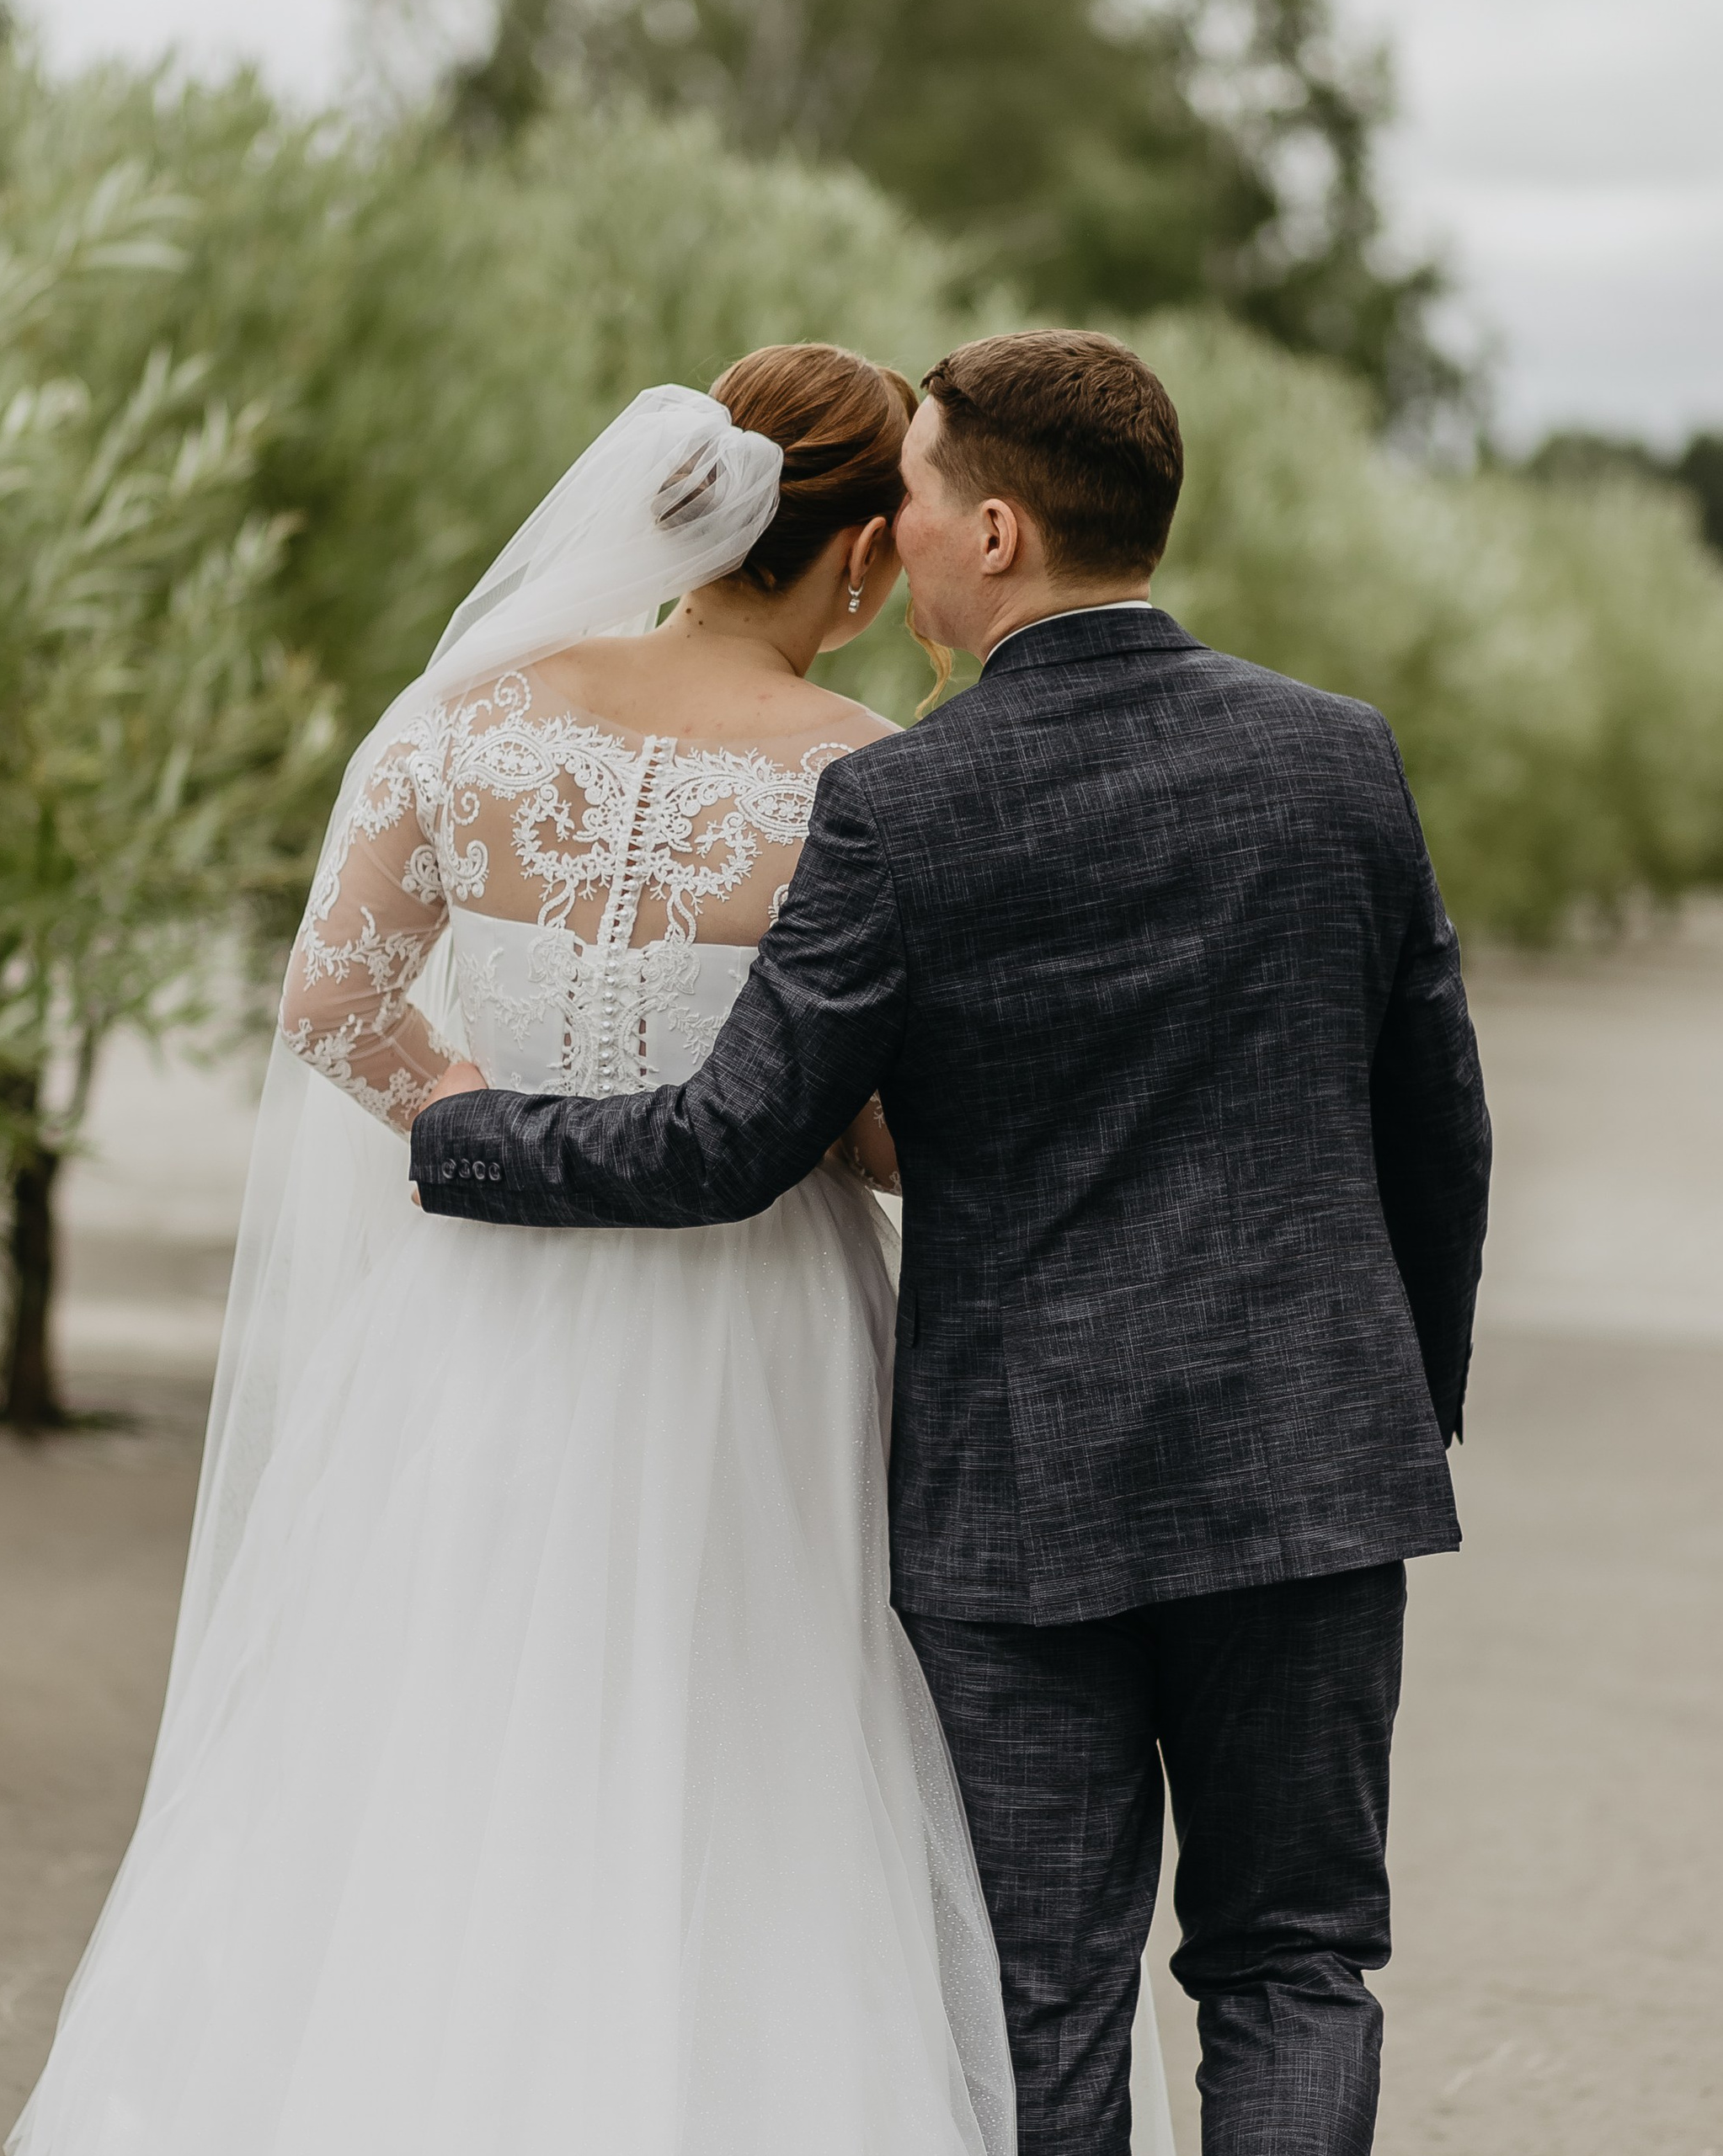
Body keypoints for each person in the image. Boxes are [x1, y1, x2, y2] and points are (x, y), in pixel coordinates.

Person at [8, 345, 1176, 2156]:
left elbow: (328, 999)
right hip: (759, 1331)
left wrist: (481, 1116)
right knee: (748, 1753)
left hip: (480, 1308)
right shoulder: (865, 777)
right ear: (864, 559)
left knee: (455, 1737)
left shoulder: (469, 716)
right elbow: (875, 1125)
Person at [413, 328, 1495, 2156]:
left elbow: (727, 1140)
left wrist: (466, 1134)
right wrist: (1396, 1402)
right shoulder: (1335, 763)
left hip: (1019, 1493)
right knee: (1293, 1958)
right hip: (1308, 1469)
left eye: (906, 494)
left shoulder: (901, 803)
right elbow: (1435, 1125)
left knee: (1042, 1986)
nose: (879, 536)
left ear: (993, 532)